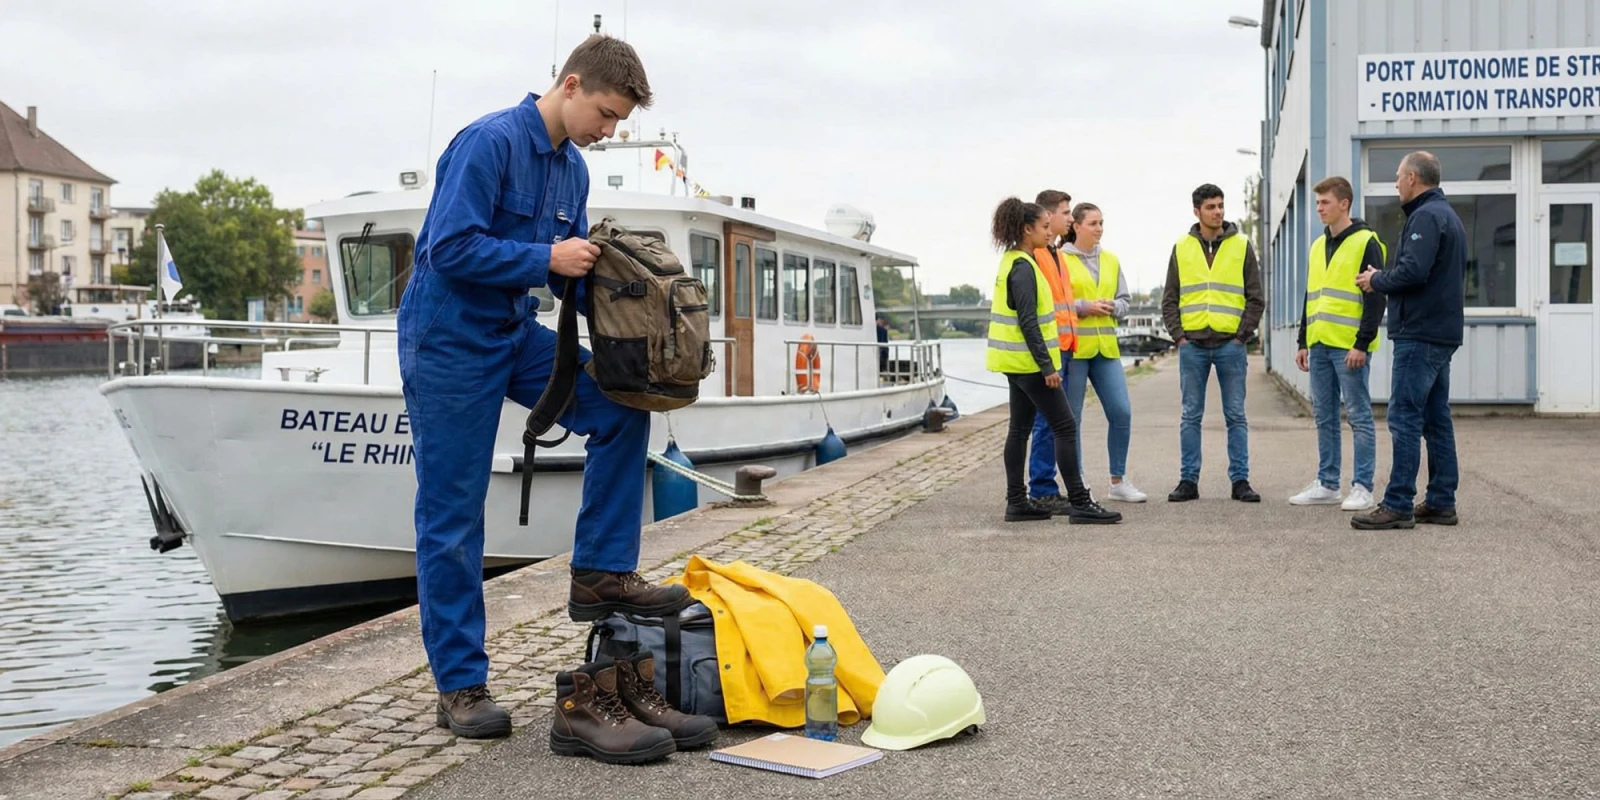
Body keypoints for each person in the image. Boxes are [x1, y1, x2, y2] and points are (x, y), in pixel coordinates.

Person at [397, 34, 691, 740]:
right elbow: (448, 248)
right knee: (455, 515)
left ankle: (601, 570)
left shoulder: (574, 174)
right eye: (607, 113)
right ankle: (461, 687)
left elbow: (569, 276)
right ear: (572, 84)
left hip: (511, 331)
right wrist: (546, 256)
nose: (610, 130)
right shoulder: (488, 143)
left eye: (620, 121)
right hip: (448, 339)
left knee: (624, 407)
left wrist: (640, 299)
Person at [983, 196, 1121, 525]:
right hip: (1030, 365)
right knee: (1064, 425)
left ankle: (1017, 502)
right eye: (1045, 227)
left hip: (1014, 363)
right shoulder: (1023, 267)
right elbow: (1029, 322)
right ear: (1026, 229)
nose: (1050, 233)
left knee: (1019, 430)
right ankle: (1080, 502)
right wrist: (1048, 367)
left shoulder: (1013, 261)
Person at [1352, 150, 1466, 530]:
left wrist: (1376, 280)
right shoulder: (1444, 215)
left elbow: (1413, 272)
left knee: (1404, 417)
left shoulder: (1427, 216)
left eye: (1399, 177)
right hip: (1438, 332)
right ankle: (1440, 501)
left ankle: (1398, 502)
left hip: (1420, 334)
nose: (1396, 183)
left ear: (1414, 178)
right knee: (1435, 419)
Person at [1161, 183, 1266, 503]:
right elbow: (1170, 299)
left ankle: (1241, 481)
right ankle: (1188, 481)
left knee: (1235, 415)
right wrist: (1179, 337)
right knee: (1191, 415)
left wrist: (1241, 337)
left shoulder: (1242, 244)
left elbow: (1256, 298)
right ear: (1197, 211)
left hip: (1229, 346)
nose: (1218, 211)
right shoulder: (1181, 247)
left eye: (1221, 205)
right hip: (1192, 345)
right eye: (1211, 207)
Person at [1291, 176, 1386, 511]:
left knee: (1358, 416)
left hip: (1349, 348)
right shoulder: (1318, 246)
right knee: (1324, 416)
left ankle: (1362, 487)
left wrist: (1362, 343)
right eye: (1317, 203)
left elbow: (1376, 299)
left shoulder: (1366, 241)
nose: (1319, 208)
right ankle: (1328, 484)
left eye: (1325, 202)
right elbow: (1311, 296)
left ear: (1344, 204)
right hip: (1318, 345)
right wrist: (1303, 340)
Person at [1060, 202, 1147, 503]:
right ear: (1077, 226)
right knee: (1073, 418)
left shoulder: (1110, 259)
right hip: (1075, 349)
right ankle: (1077, 481)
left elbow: (1124, 300)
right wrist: (1084, 307)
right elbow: (1055, 303)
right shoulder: (1061, 260)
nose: (1099, 228)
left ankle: (1118, 481)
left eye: (1101, 223)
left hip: (1106, 348)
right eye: (1094, 223)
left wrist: (1114, 307)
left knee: (1121, 411)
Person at [1023, 188, 1082, 513]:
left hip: (1065, 347)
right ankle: (1042, 489)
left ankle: (1046, 486)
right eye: (1065, 212)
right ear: (1048, 214)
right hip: (1051, 352)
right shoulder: (1036, 255)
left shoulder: (1057, 253)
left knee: (1054, 422)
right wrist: (1047, 361)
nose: (1070, 218)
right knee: (1048, 422)